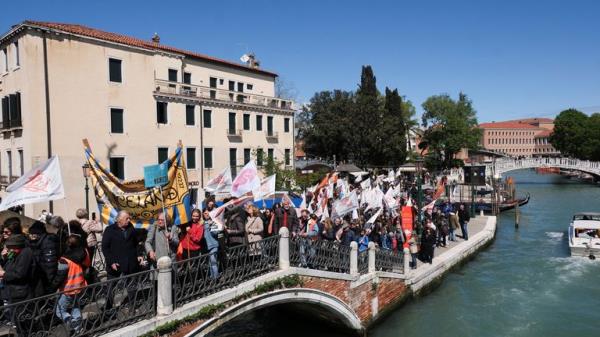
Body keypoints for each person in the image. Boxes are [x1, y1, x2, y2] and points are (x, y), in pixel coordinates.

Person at [52, 235, 90, 333]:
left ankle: (74, 323)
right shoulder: (84, 252)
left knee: (59, 311)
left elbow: (59, 276)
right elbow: (87, 265)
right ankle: (79, 329)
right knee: (75, 307)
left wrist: (52, 288)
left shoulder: (64, 260)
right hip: (80, 286)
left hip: (68, 289)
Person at [101, 211, 143, 279]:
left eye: (129, 218)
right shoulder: (110, 230)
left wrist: (139, 254)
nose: (129, 220)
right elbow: (105, 248)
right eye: (127, 218)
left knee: (131, 287)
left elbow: (136, 242)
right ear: (119, 220)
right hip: (116, 267)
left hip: (131, 266)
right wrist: (111, 262)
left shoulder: (130, 227)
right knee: (113, 288)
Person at [27, 221, 59, 297]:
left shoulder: (48, 242)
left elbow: (50, 264)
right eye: (31, 234)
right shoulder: (30, 242)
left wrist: (50, 282)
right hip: (37, 275)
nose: (32, 236)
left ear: (40, 234)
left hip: (46, 277)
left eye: (34, 233)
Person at [0, 234, 34, 304]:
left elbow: (20, 274)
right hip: (11, 290)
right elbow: (9, 266)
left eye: (11, 247)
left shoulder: (26, 253)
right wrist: (4, 258)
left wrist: (4, 274)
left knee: (16, 313)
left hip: (19, 293)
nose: (9, 249)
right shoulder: (16, 252)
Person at [201, 209, 220, 279]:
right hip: (206, 246)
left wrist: (211, 225)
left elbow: (216, 233)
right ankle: (212, 277)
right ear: (203, 214)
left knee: (213, 262)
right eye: (205, 213)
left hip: (213, 245)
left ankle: (216, 278)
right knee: (209, 263)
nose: (207, 214)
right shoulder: (202, 223)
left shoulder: (213, 222)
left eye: (208, 213)